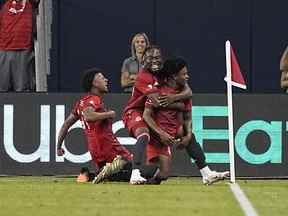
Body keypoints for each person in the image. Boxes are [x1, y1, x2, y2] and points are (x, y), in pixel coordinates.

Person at [57, 68, 160, 184]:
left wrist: (58, 146)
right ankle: (108, 171)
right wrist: (109, 114)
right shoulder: (93, 99)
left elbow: (66, 124)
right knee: (154, 171)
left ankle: (92, 174)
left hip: (98, 154)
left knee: (147, 175)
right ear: (94, 83)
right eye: (101, 78)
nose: (106, 80)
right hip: (112, 153)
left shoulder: (81, 103)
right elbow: (88, 116)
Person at [143, 57, 229, 185]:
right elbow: (146, 115)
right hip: (156, 138)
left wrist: (188, 135)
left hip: (171, 133)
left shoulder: (184, 93)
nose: (187, 76)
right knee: (154, 173)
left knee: (189, 135)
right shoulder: (159, 91)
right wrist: (160, 133)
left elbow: (188, 117)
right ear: (173, 76)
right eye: (184, 74)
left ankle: (207, 173)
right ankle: (127, 172)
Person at [122, 46, 193, 184]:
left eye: (157, 58)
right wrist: (179, 104)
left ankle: (121, 170)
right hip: (135, 111)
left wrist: (174, 98)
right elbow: (157, 101)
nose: (155, 61)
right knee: (143, 134)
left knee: (162, 172)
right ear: (143, 60)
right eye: (150, 58)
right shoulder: (143, 76)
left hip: (152, 114)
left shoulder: (163, 72)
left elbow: (188, 91)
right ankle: (134, 173)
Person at [0, 0, 40, 92]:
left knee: (21, 89)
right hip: (3, 48)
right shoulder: (4, 4)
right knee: (2, 88)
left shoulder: (30, 3)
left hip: (23, 48)